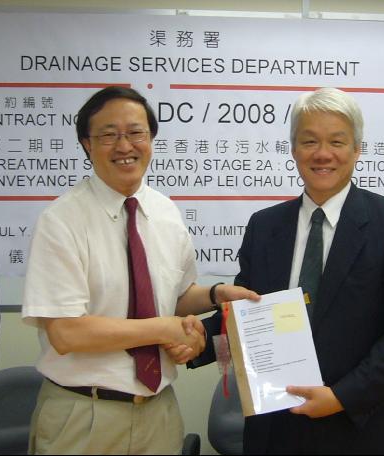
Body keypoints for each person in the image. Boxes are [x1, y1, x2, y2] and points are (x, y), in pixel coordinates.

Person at [192, 87, 384, 453]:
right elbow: (246, 317)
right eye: (309, 141)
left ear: (357, 149)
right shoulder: (265, 226)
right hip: (277, 426)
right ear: (293, 150)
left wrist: (341, 397)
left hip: (364, 427)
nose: (323, 154)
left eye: (337, 141)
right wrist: (197, 341)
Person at [21, 86, 259, 455]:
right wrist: (164, 329)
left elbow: (174, 297)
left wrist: (214, 295)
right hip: (84, 415)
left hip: (158, 412)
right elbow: (66, 332)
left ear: (151, 138)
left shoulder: (165, 212)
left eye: (135, 133)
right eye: (108, 135)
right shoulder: (62, 220)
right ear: (86, 143)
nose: (124, 146)